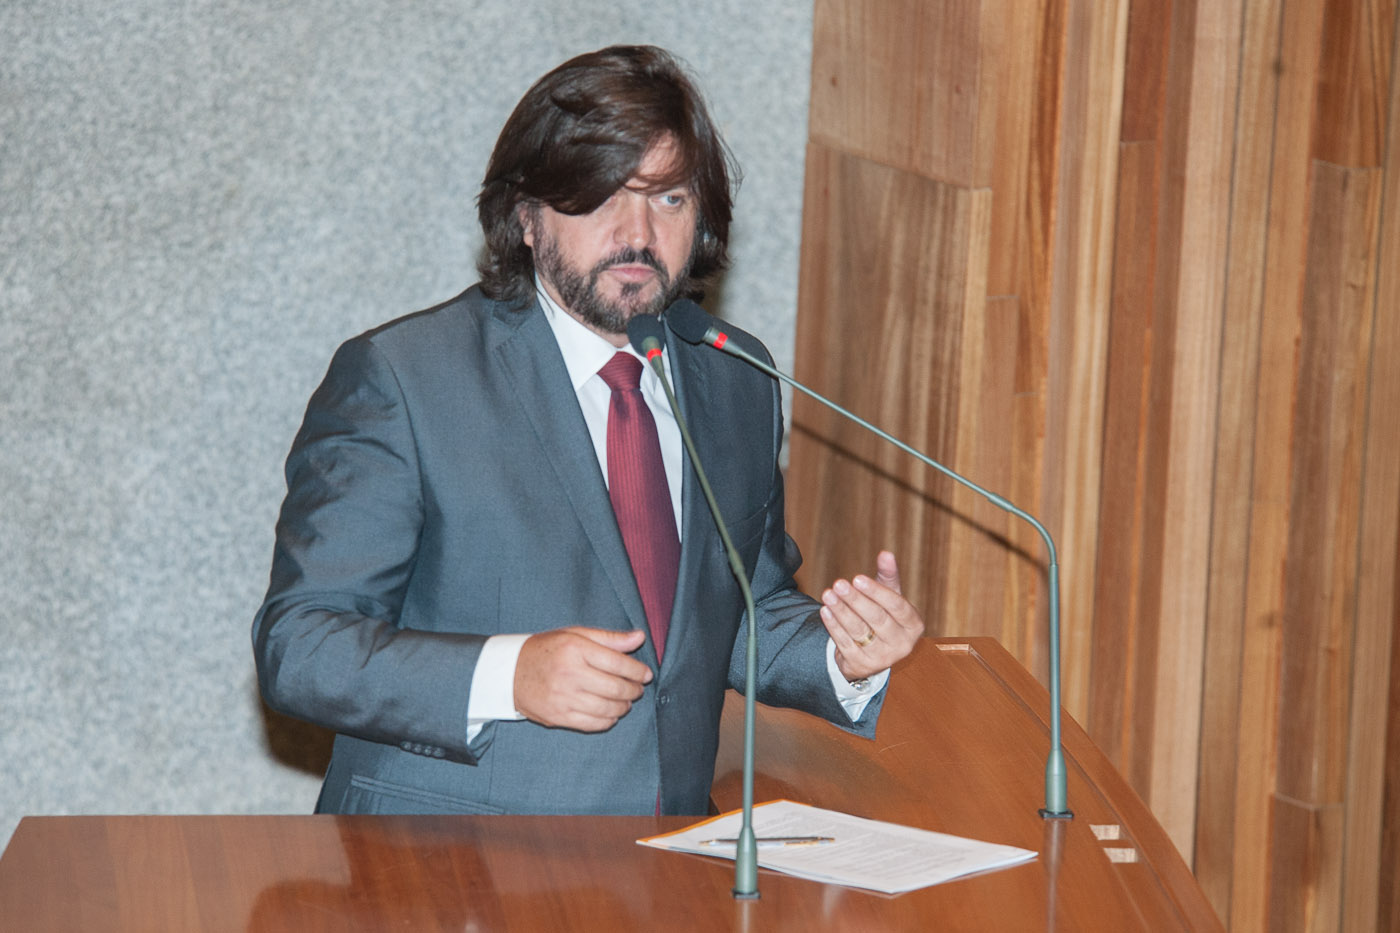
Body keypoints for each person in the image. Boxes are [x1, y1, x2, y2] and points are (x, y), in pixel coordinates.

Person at [252, 45, 924, 817]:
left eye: (669, 198)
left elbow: (739, 608)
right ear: (526, 217)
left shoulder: (734, 375)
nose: (637, 232)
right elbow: (300, 646)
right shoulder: (405, 378)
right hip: (448, 855)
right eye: (602, 196)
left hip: (667, 850)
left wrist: (840, 653)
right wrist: (510, 675)